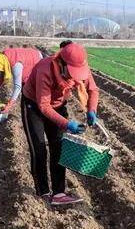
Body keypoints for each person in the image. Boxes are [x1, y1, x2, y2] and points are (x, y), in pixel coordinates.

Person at [21, 42, 100, 206]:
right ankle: (42, 191)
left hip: (57, 106)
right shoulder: (45, 69)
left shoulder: (81, 66)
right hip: (33, 105)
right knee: (39, 148)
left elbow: (93, 90)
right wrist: (67, 124)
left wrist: (91, 109)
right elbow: (43, 106)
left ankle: (58, 193)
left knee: (58, 147)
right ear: (62, 64)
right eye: (71, 72)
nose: (74, 77)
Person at [0, 46, 43, 113]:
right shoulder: (4, 57)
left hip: (37, 59)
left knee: (28, 94)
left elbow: (17, 87)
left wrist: (9, 105)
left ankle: (32, 113)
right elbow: (3, 71)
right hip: (32, 55)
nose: (0, 70)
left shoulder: (16, 65)